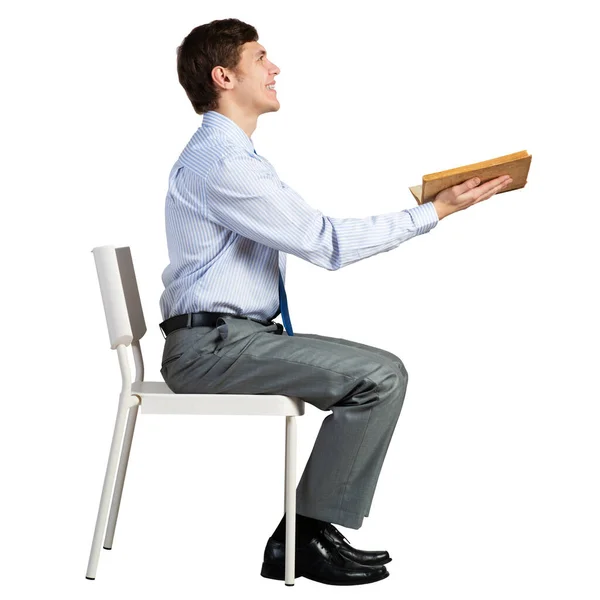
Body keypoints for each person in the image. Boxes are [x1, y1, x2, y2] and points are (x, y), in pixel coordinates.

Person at [158, 18, 512, 586]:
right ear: (225, 76)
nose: (275, 68)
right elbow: (329, 243)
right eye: (261, 57)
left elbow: (312, 233)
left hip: (231, 339)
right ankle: (300, 538)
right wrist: (437, 211)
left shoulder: (234, 158)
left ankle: (307, 535)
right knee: (380, 375)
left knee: (378, 373)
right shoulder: (222, 162)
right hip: (210, 349)